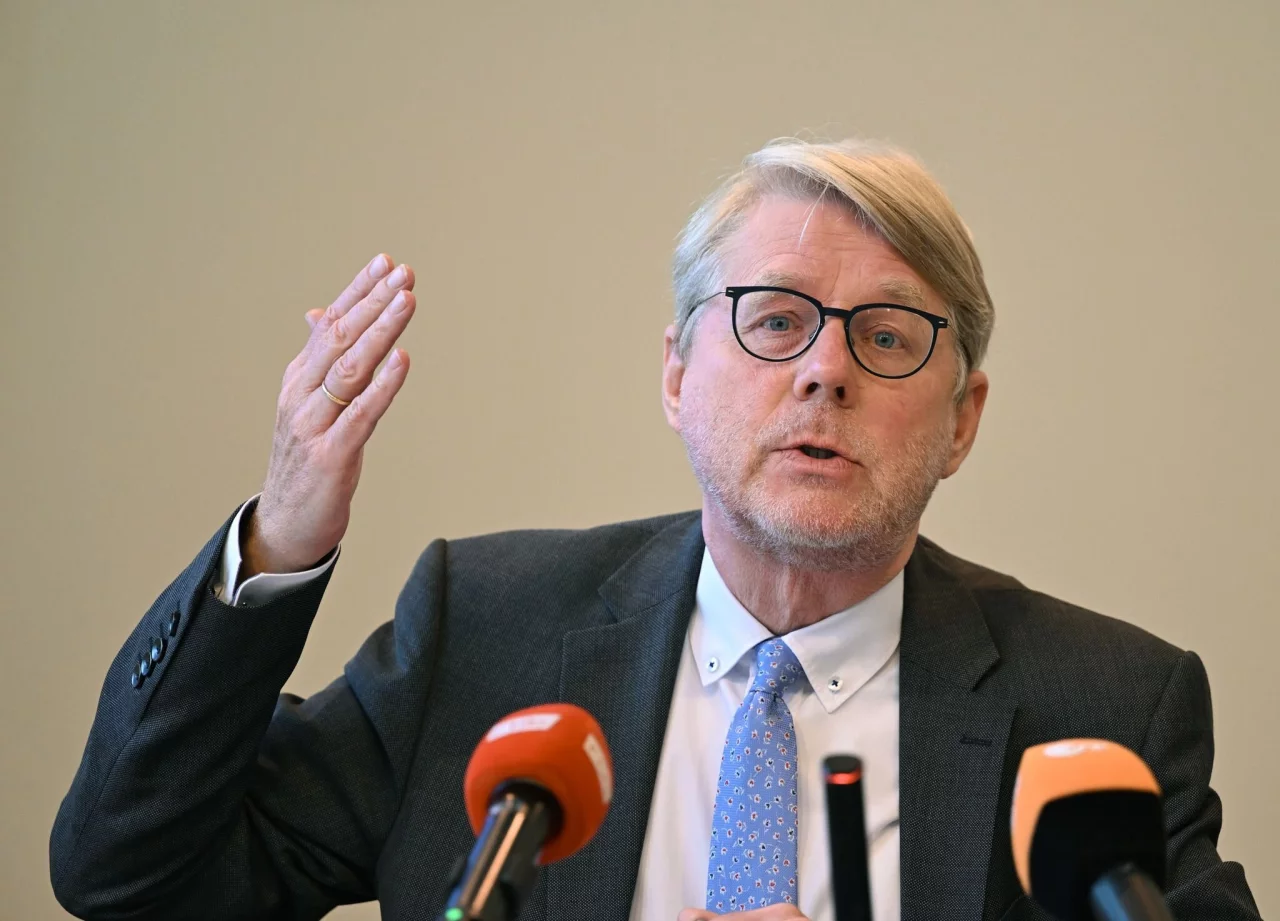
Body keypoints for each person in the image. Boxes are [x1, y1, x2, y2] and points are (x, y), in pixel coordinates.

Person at [50, 139, 1260, 921]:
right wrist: (276, 542)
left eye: (886, 337)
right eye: (773, 320)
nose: (824, 371)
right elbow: (132, 876)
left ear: (961, 422)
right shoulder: (486, 631)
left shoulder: (1101, 706)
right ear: (677, 376)